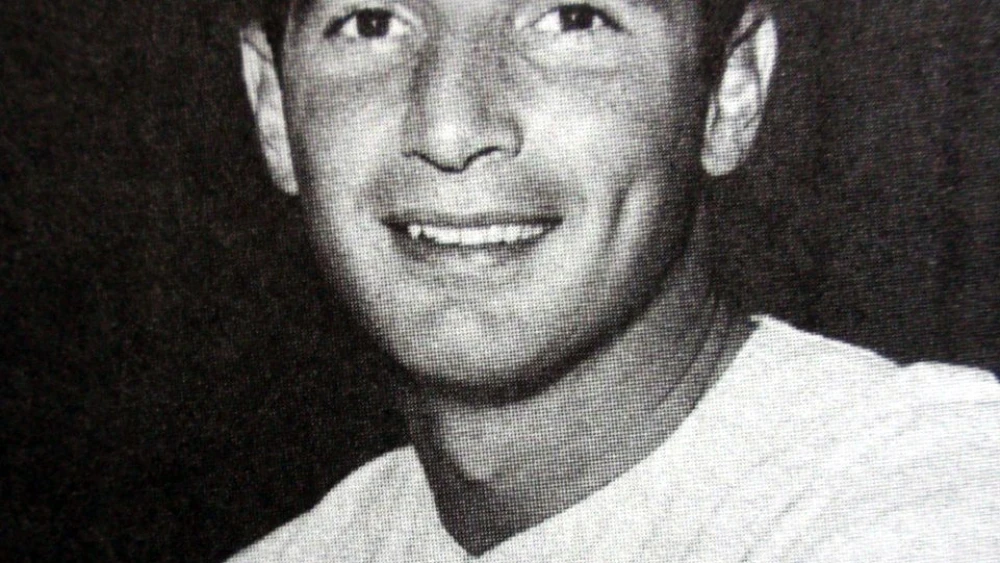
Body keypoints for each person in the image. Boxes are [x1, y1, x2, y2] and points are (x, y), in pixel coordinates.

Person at [230, 0, 1000, 560]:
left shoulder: (940, 497)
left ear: (729, 94)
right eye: (372, 23)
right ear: (273, 107)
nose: (450, 128)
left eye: (570, 19)